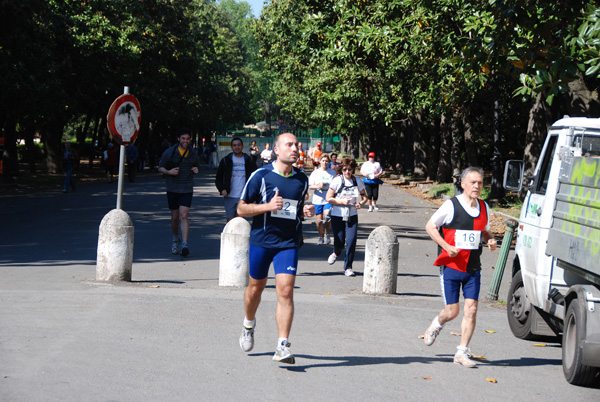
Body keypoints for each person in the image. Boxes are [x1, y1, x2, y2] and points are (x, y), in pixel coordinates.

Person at [237, 132, 315, 365]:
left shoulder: (302, 179)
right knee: (255, 288)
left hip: (288, 242)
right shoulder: (260, 176)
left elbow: (295, 210)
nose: (295, 149)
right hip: (262, 240)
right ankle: (249, 323)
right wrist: (267, 206)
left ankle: (282, 345)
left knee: (286, 291)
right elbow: (241, 209)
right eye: (289, 145)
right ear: (276, 150)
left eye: (297, 145)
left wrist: (305, 212)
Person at [423, 167, 497, 368]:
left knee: (471, 309)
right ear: (462, 184)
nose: (477, 186)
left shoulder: (484, 207)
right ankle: (436, 324)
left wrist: (490, 240)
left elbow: (486, 232)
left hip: (473, 267)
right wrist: (446, 246)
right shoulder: (451, 205)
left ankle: (461, 352)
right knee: (452, 311)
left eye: (480, 183)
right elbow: (430, 226)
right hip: (451, 266)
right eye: (472, 182)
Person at [158, 128, 200, 257]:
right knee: (175, 217)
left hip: (187, 188)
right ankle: (175, 238)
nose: (186, 141)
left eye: (187, 139)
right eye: (183, 138)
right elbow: (160, 168)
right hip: (172, 188)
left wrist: (196, 169)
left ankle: (184, 244)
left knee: (184, 215)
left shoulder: (193, 153)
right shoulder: (170, 152)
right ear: (178, 139)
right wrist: (169, 172)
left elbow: (196, 165)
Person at [325, 158, 367, 277]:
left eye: (349, 169)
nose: (347, 172)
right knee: (339, 241)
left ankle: (348, 267)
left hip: (352, 215)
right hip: (337, 214)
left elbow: (365, 197)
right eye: (345, 169)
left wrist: (361, 203)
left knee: (351, 241)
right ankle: (336, 252)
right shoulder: (337, 181)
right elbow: (328, 198)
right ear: (341, 170)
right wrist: (341, 201)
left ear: (353, 169)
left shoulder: (357, 181)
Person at [215, 137, 257, 221]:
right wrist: (222, 189)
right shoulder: (226, 160)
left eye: (238, 145)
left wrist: (252, 192)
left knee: (240, 222)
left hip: (243, 196)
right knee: (230, 222)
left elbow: (255, 177)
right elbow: (218, 178)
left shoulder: (249, 160)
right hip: (229, 195)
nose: (236, 147)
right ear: (231, 147)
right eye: (234, 145)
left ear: (242, 146)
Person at [309, 154, 335, 245]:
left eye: (326, 161)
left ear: (328, 162)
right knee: (319, 221)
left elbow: (336, 184)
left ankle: (327, 234)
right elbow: (310, 186)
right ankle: (321, 236)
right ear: (320, 161)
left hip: (328, 198)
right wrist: (317, 186)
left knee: (327, 217)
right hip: (317, 199)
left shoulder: (332, 172)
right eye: (323, 161)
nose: (324, 162)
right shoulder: (315, 173)